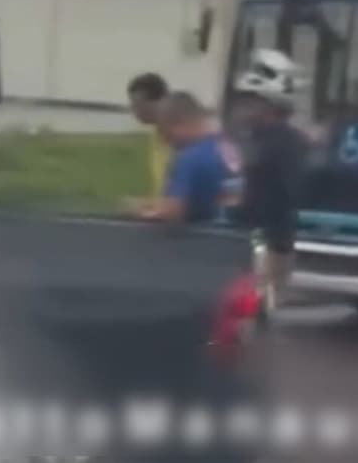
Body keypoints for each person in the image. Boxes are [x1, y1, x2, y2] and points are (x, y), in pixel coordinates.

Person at [228, 49, 308, 303]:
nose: (243, 108)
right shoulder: (255, 139)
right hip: (251, 238)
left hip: (268, 243)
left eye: (250, 102)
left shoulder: (283, 142)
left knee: (255, 309)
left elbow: (285, 194)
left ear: (269, 106)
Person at [129, 92, 229, 225]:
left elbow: (174, 212)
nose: (166, 142)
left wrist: (141, 209)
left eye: (166, 134)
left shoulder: (191, 159)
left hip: (203, 241)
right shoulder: (229, 147)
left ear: (179, 124)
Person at [127, 72, 172, 197]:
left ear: (157, 103)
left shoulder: (179, 140)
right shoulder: (155, 136)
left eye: (137, 104)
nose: (133, 110)